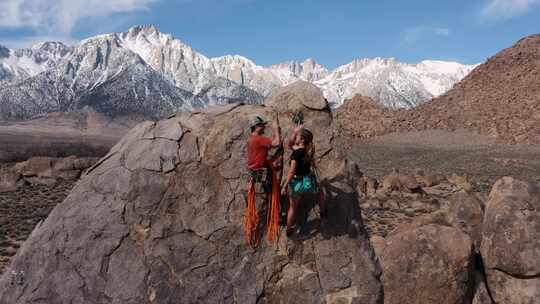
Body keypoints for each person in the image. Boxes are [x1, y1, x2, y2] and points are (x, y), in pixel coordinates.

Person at [245, 115, 282, 247]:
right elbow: (277, 143)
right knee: (272, 192)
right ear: (257, 127)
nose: (264, 128)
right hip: (261, 172)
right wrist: (276, 129)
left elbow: (257, 155)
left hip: (253, 172)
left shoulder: (250, 139)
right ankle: (276, 215)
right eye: (262, 126)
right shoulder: (260, 139)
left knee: (268, 191)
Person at [281, 126, 320, 237]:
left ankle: (289, 230)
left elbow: (291, 172)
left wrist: (285, 186)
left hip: (296, 183)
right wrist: (295, 132)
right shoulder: (308, 151)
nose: (295, 139)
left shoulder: (296, 154)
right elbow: (290, 144)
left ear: (302, 140)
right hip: (306, 182)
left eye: (297, 137)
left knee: (292, 208)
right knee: (298, 200)